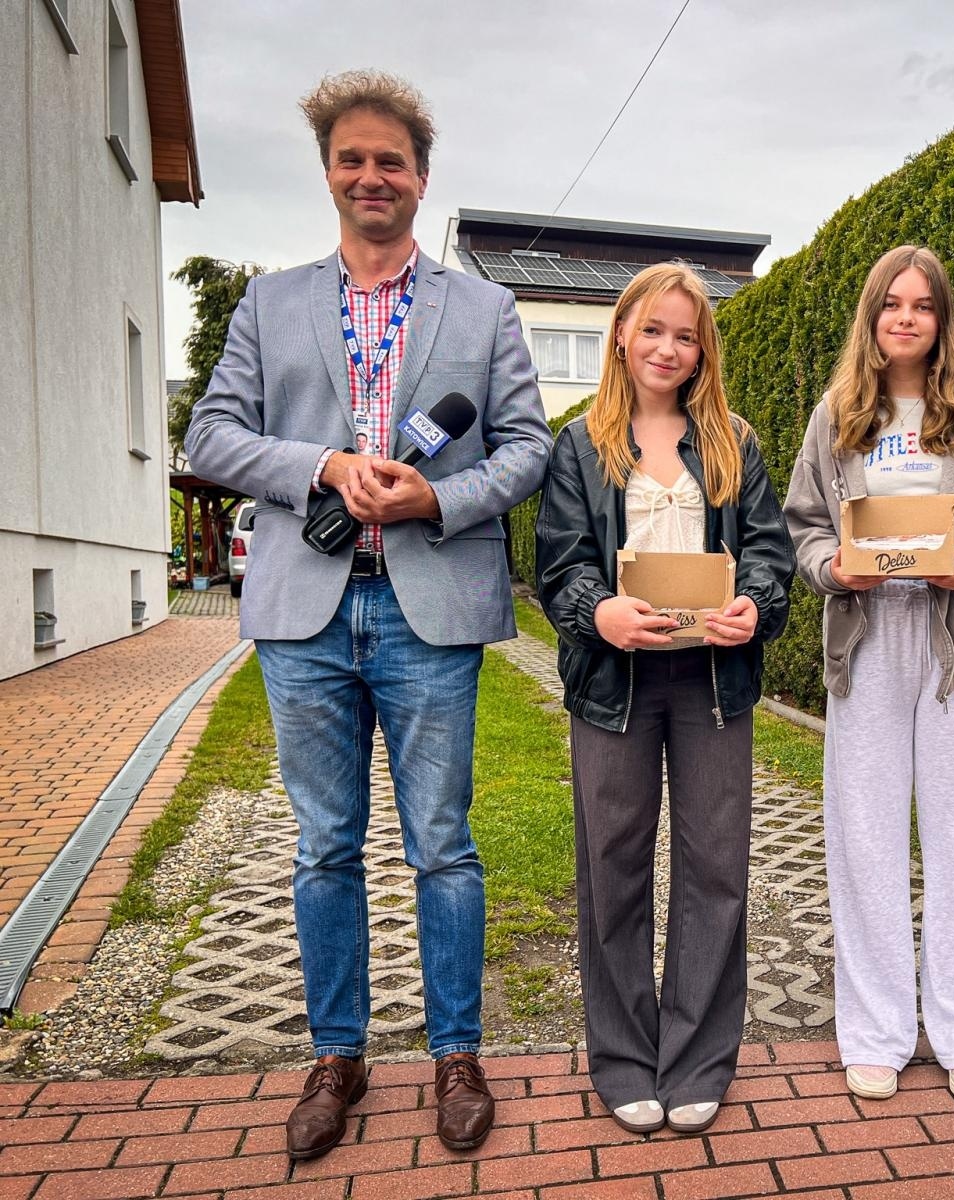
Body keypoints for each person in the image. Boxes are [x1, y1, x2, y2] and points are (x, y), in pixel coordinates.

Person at [185, 70, 550, 1159]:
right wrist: (325, 465)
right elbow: (212, 435)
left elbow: (527, 449)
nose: (371, 175)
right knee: (323, 848)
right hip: (306, 612)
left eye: (391, 159)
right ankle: (336, 1058)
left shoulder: (483, 309)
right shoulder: (269, 304)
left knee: (443, 845)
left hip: (427, 608)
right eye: (352, 158)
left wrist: (436, 495)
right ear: (329, 173)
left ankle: (457, 1055)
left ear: (421, 177)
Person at [535, 262, 795, 1136]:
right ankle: (621, 1059)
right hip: (615, 682)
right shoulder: (579, 445)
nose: (667, 348)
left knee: (715, 865)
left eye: (685, 335)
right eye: (652, 329)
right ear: (622, 333)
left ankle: (697, 1061)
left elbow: (769, 552)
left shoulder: (733, 442)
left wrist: (754, 604)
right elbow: (559, 562)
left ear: (702, 349)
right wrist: (597, 612)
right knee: (612, 866)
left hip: (711, 681)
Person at [783, 245, 954, 1105]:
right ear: (871, 315)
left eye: (922, 305)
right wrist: (832, 569)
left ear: (941, 320)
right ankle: (877, 1032)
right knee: (865, 840)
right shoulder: (837, 414)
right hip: (866, 644)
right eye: (891, 304)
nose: (906, 318)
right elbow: (803, 525)